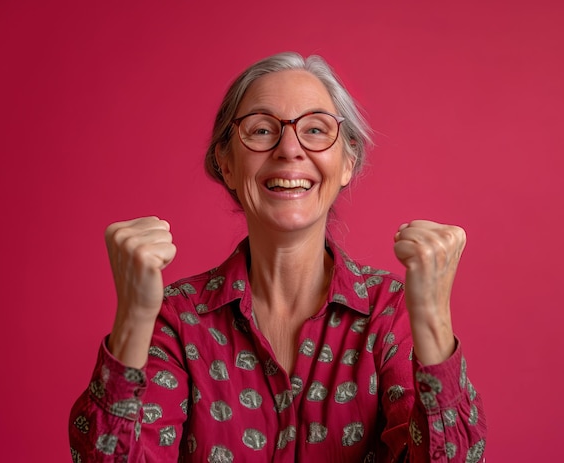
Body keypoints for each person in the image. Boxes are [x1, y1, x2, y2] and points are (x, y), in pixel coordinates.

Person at [69, 52, 487, 462]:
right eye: (262, 130)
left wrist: (432, 319)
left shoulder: (390, 312)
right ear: (226, 163)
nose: (289, 149)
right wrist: (133, 320)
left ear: (347, 162)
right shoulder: (176, 320)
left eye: (317, 130)